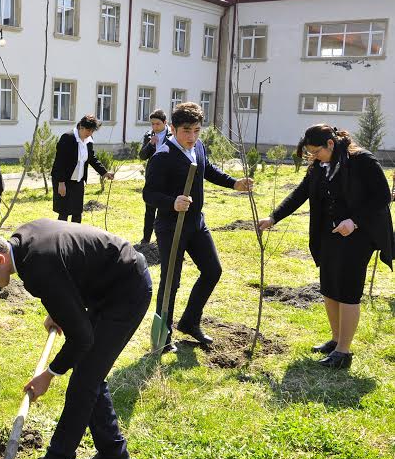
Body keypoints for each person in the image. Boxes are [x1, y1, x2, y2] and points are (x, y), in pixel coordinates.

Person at [0, 220, 152, 459]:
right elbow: (67, 267)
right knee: (90, 374)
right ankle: (113, 453)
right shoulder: (24, 240)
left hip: (126, 290)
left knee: (84, 380)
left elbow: (81, 338)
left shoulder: (37, 267)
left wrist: (49, 374)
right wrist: (59, 309)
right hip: (105, 283)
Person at [259, 124, 394, 369]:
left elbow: (383, 196)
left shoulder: (361, 160)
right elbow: (300, 193)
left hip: (358, 235)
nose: (313, 156)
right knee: (330, 287)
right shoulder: (319, 167)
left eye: (316, 151)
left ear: (330, 144)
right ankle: (335, 340)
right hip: (329, 235)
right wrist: (273, 218)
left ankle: (344, 351)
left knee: (348, 290)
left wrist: (354, 221)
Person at [143, 102, 253, 352]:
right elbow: (149, 194)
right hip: (171, 226)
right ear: (172, 128)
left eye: (196, 130)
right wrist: (172, 202)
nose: (192, 137)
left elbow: (208, 170)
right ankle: (163, 336)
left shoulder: (198, 147)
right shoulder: (163, 157)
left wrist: (234, 183)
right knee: (171, 281)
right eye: (186, 131)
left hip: (195, 223)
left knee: (213, 270)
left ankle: (190, 321)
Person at [50, 115, 114, 223]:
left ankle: (76, 238)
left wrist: (104, 172)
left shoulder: (88, 140)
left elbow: (91, 158)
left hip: (78, 181)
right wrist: (61, 183)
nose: (90, 133)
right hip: (64, 181)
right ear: (81, 127)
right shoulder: (67, 138)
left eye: (92, 131)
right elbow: (59, 162)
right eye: (88, 130)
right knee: (64, 213)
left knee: (77, 212)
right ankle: (61, 238)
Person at [139, 109, 172, 244]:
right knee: (150, 210)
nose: (154, 127)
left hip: (168, 178)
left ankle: (161, 240)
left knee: (164, 210)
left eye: (157, 124)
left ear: (165, 122)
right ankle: (146, 239)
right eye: (152, 124)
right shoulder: (149, 135)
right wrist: (150, 143)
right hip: (152, 178)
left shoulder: (172, 135)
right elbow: (142, 156)